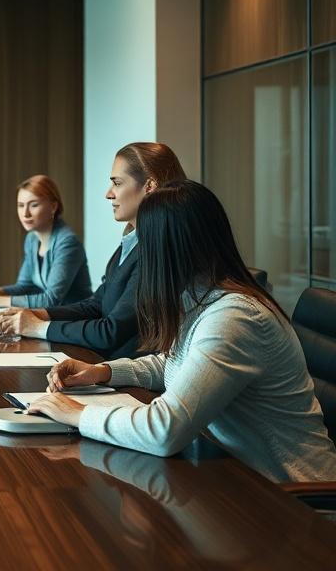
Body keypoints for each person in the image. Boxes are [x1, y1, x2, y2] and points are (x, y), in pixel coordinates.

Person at [28, 180, 336, 483]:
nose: (139, 256)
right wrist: (101, 372)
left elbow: (165, 431)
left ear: (167, 250)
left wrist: (76, 414)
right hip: (234, 476)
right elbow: (173, 362)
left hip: (293, 500)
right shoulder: (198, 297)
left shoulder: (234, 317)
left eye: (144, 243)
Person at [0, 142, 186, 359]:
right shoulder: (131, 242)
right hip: (105, 365)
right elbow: (97, 304)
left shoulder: (158, 250)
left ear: (149, 186)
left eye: (117, 183)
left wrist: (37, 327)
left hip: (128, 377)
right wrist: (40, 314)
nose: (108, 194)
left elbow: (111, 331)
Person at [0, 174, 91, 308]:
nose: (25, 214)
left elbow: (51, 300)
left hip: (76, 321)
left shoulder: (67, 242)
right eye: (20, 205)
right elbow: (25, 287)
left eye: (33, 205)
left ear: (53, 207)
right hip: (48, 319)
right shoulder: (32, 239)